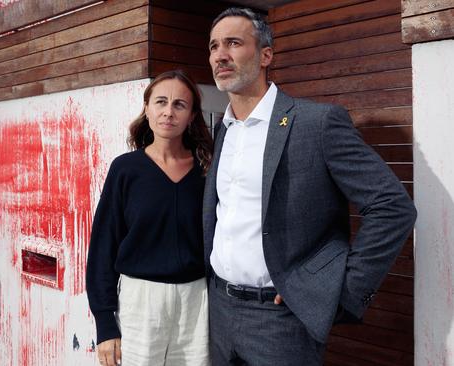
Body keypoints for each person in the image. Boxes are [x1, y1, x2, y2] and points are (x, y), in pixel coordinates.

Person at [203, 7, 417, 365]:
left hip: (281, 322)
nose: (220, 55)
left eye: (233, 43)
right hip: (219, 312)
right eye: (213, 46)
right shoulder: (223, 130)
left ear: (265, 54)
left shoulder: (316, 123)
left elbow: (392, 207)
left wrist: (340, 292)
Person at [86, 70, 213, 366]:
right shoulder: (125, 170)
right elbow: (103, 248)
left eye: (180, 105)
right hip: (139, 300)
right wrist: (105, 323)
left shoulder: (207, 170)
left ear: (192, 115)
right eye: (161, 102)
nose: (169, 112)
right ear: (147, 108)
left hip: (197, 300)